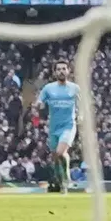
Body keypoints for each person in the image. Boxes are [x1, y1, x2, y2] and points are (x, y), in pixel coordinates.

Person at [36, 61, 80, 193]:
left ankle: (67, 178)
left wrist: (81, 115)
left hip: (68, 126)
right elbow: (40, 102)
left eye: (64, 69)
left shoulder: (75, 88)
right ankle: (62, 184)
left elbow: (82, 104)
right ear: (55, 72)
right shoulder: (48, 88)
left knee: (61, 152)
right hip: (54, 128)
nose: (61, 71)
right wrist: (38, 105)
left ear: (68, 71)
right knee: (55, 157)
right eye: (59, 69)